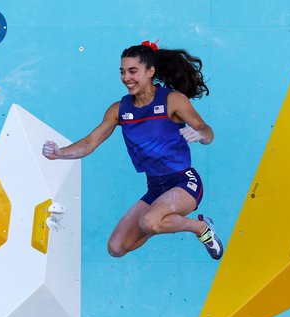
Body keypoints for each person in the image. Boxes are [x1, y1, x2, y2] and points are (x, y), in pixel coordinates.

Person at [42, 40, 224, 260]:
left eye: (133, 71)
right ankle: (158, 222)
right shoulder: (119, 110)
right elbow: (90, 142)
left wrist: (199, 135)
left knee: (150, 221)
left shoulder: (172, 100)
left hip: (184, 182)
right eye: (122, 72)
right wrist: (60, 152)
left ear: (150, 71)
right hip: (155, 188)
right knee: (116, 247)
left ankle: (202, 229)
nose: (126, 78)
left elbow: (207, 131)